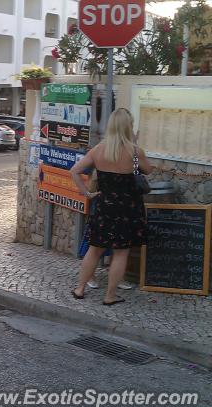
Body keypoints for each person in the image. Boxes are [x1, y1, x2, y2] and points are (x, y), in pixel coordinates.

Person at [70, 108, 153, 306]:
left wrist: (87, 193)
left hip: (105, 206)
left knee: (95, 249)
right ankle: (110, 296)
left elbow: (74, 171)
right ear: (128, 127)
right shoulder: (135, 152)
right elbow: (148, 170)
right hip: (128, 208)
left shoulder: (99, 149)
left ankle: (80, 289)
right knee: (121, 252)